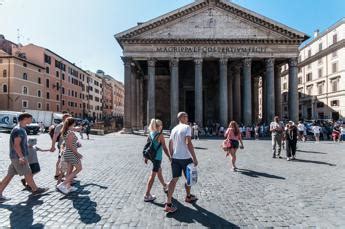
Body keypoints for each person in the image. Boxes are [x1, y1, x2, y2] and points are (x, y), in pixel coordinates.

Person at [0, 113, 48, 203]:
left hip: (16, 157)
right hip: (18, 157)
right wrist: (21, 157)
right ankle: (35, 189)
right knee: (28, 173)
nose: (32, 120)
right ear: (25, 118)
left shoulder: (20, 129)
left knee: (9, 176)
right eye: (31, 118)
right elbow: (16, 145)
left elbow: (20, 144)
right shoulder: (18, 130)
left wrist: (27, 146)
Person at [165, 112, 198, 213]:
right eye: (186, 116)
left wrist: (171, 156)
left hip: (175, 157)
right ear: (182, 118)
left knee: (174, 179)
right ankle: (188, 197)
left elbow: (170, 143)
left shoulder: (174, 129)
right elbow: (188, 142)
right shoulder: (187, 127)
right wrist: (194, 157)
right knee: (189, 177)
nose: (187, 117)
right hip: (185, 157)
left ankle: (168, 204)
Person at [144, 119, 171, 202]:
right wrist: (169, 157)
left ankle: (164, 185)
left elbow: (147, 146)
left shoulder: (150, 134)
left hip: (152, 157)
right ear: (158, 126)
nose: (162, 126)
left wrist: (146, 157)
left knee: (159, 171)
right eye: (161, 125)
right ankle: (147, 194)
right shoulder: (160, 135)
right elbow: (165, 148)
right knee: (153, 175)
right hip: (157, 158)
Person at [57, 118, 83, 194]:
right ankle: (62, 184)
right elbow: (69, 145)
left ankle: (68, 186)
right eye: (74, 123)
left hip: (68, 153)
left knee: (69, 171)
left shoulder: (66, 131)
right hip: (71, 153)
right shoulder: (70, 133)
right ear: (73, 123)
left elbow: (68, 144)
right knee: (79, 168)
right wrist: (77, 154)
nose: (75, 124)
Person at [50, 113, 71, 180]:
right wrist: (52, 146)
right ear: (65, 119)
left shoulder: (67, 126)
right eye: (69, 118)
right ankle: (57, 174)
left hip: (67, 146)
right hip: (62, 146)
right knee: (60, 160)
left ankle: (63, 173)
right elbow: (55, 137)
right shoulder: (60, 126)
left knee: (65, 160)